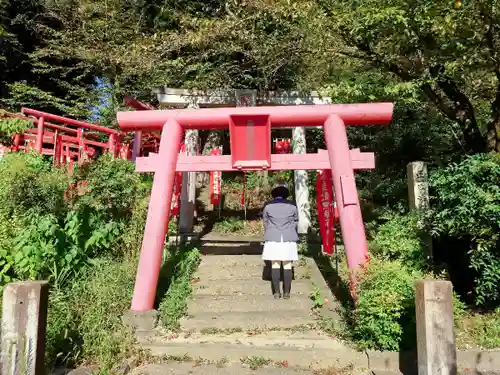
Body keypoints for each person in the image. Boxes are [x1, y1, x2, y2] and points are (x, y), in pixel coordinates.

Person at [261, 181, 299, 299]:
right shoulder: (292, 206)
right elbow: (295, 221)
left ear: (274, 194)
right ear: (286, 194)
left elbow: (265, 223)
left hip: (273, 237)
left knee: (275, 264)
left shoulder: (268, 206)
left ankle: (276, 292)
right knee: (287, 264)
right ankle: (287, 293)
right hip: (288, 237)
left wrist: (272, 230)